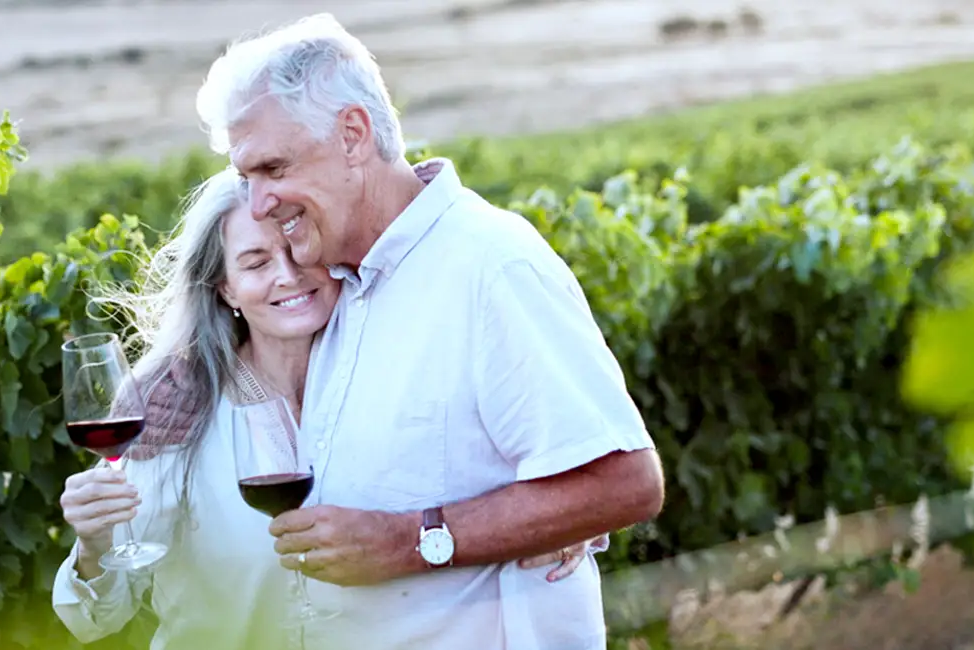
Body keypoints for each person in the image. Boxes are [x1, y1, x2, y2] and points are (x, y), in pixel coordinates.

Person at [184, 12, 667, 649]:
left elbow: (624, 482)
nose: (258, 202)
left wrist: (409, 541)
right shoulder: (337, 285)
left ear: (353, 135)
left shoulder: (490, 266)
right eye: (247, 178)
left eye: (273, 169)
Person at [51, 168, 606, 649]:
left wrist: (553, 521)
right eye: (255, 261)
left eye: (298, 250)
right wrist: (94, 546)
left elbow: (474, 464)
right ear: (224, 288)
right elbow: (95, 618)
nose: (287, 275)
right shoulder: (173, 408)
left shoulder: (394, 375)